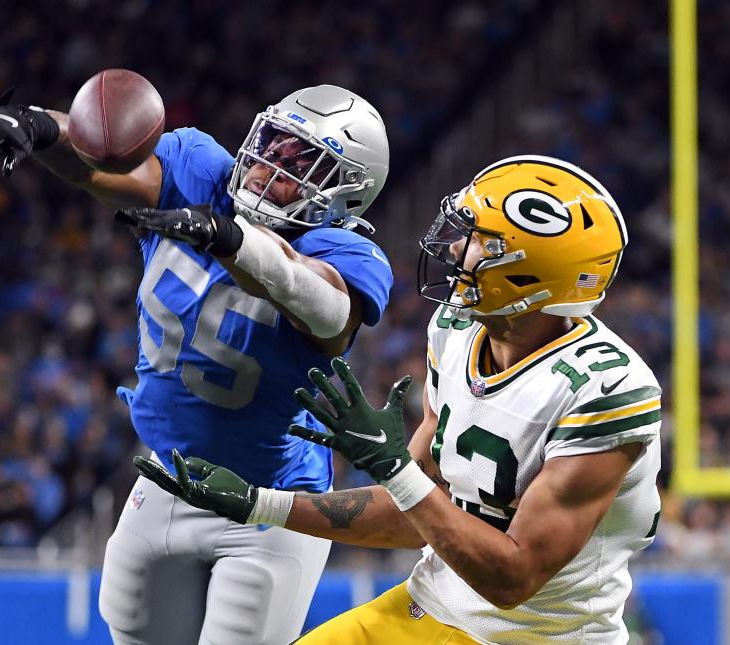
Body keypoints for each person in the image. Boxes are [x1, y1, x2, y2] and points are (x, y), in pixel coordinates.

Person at [0, 84, 393, 645]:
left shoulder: (348, 254)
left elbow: (325, 308)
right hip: (169, 477)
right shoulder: (202, 171)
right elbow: (98, 163)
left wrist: (232, 241)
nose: (269, 166)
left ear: (342, 194)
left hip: (272, 507)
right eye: (272, 142)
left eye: (298, 161)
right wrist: (41, 126)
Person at [134, 155, 662, 644]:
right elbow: (414, 513)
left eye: (481, 241)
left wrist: (393, 468)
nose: (454, 248)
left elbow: (513, 578)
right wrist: (257, 504)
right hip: (431, 605)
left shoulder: (604, 390)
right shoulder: (454, 331)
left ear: (529, 275)